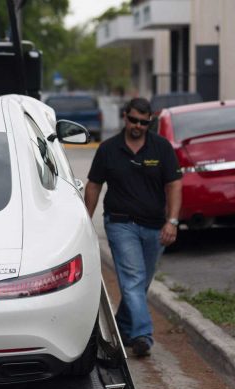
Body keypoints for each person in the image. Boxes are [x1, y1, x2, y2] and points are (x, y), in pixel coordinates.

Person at [84, 97, 182, 357]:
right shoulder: (108, 149)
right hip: (120, 224)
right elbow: (93, 184)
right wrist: (85, 221)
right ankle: (142, 335)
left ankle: (122, 328)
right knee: (133, 280)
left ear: (149, 122)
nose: (138, 126)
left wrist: (172, 221)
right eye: (134, 120)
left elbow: (174, 184)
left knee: (139, 284)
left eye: (144, 122)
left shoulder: (161, 148)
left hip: (155, 228)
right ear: (125, 116)